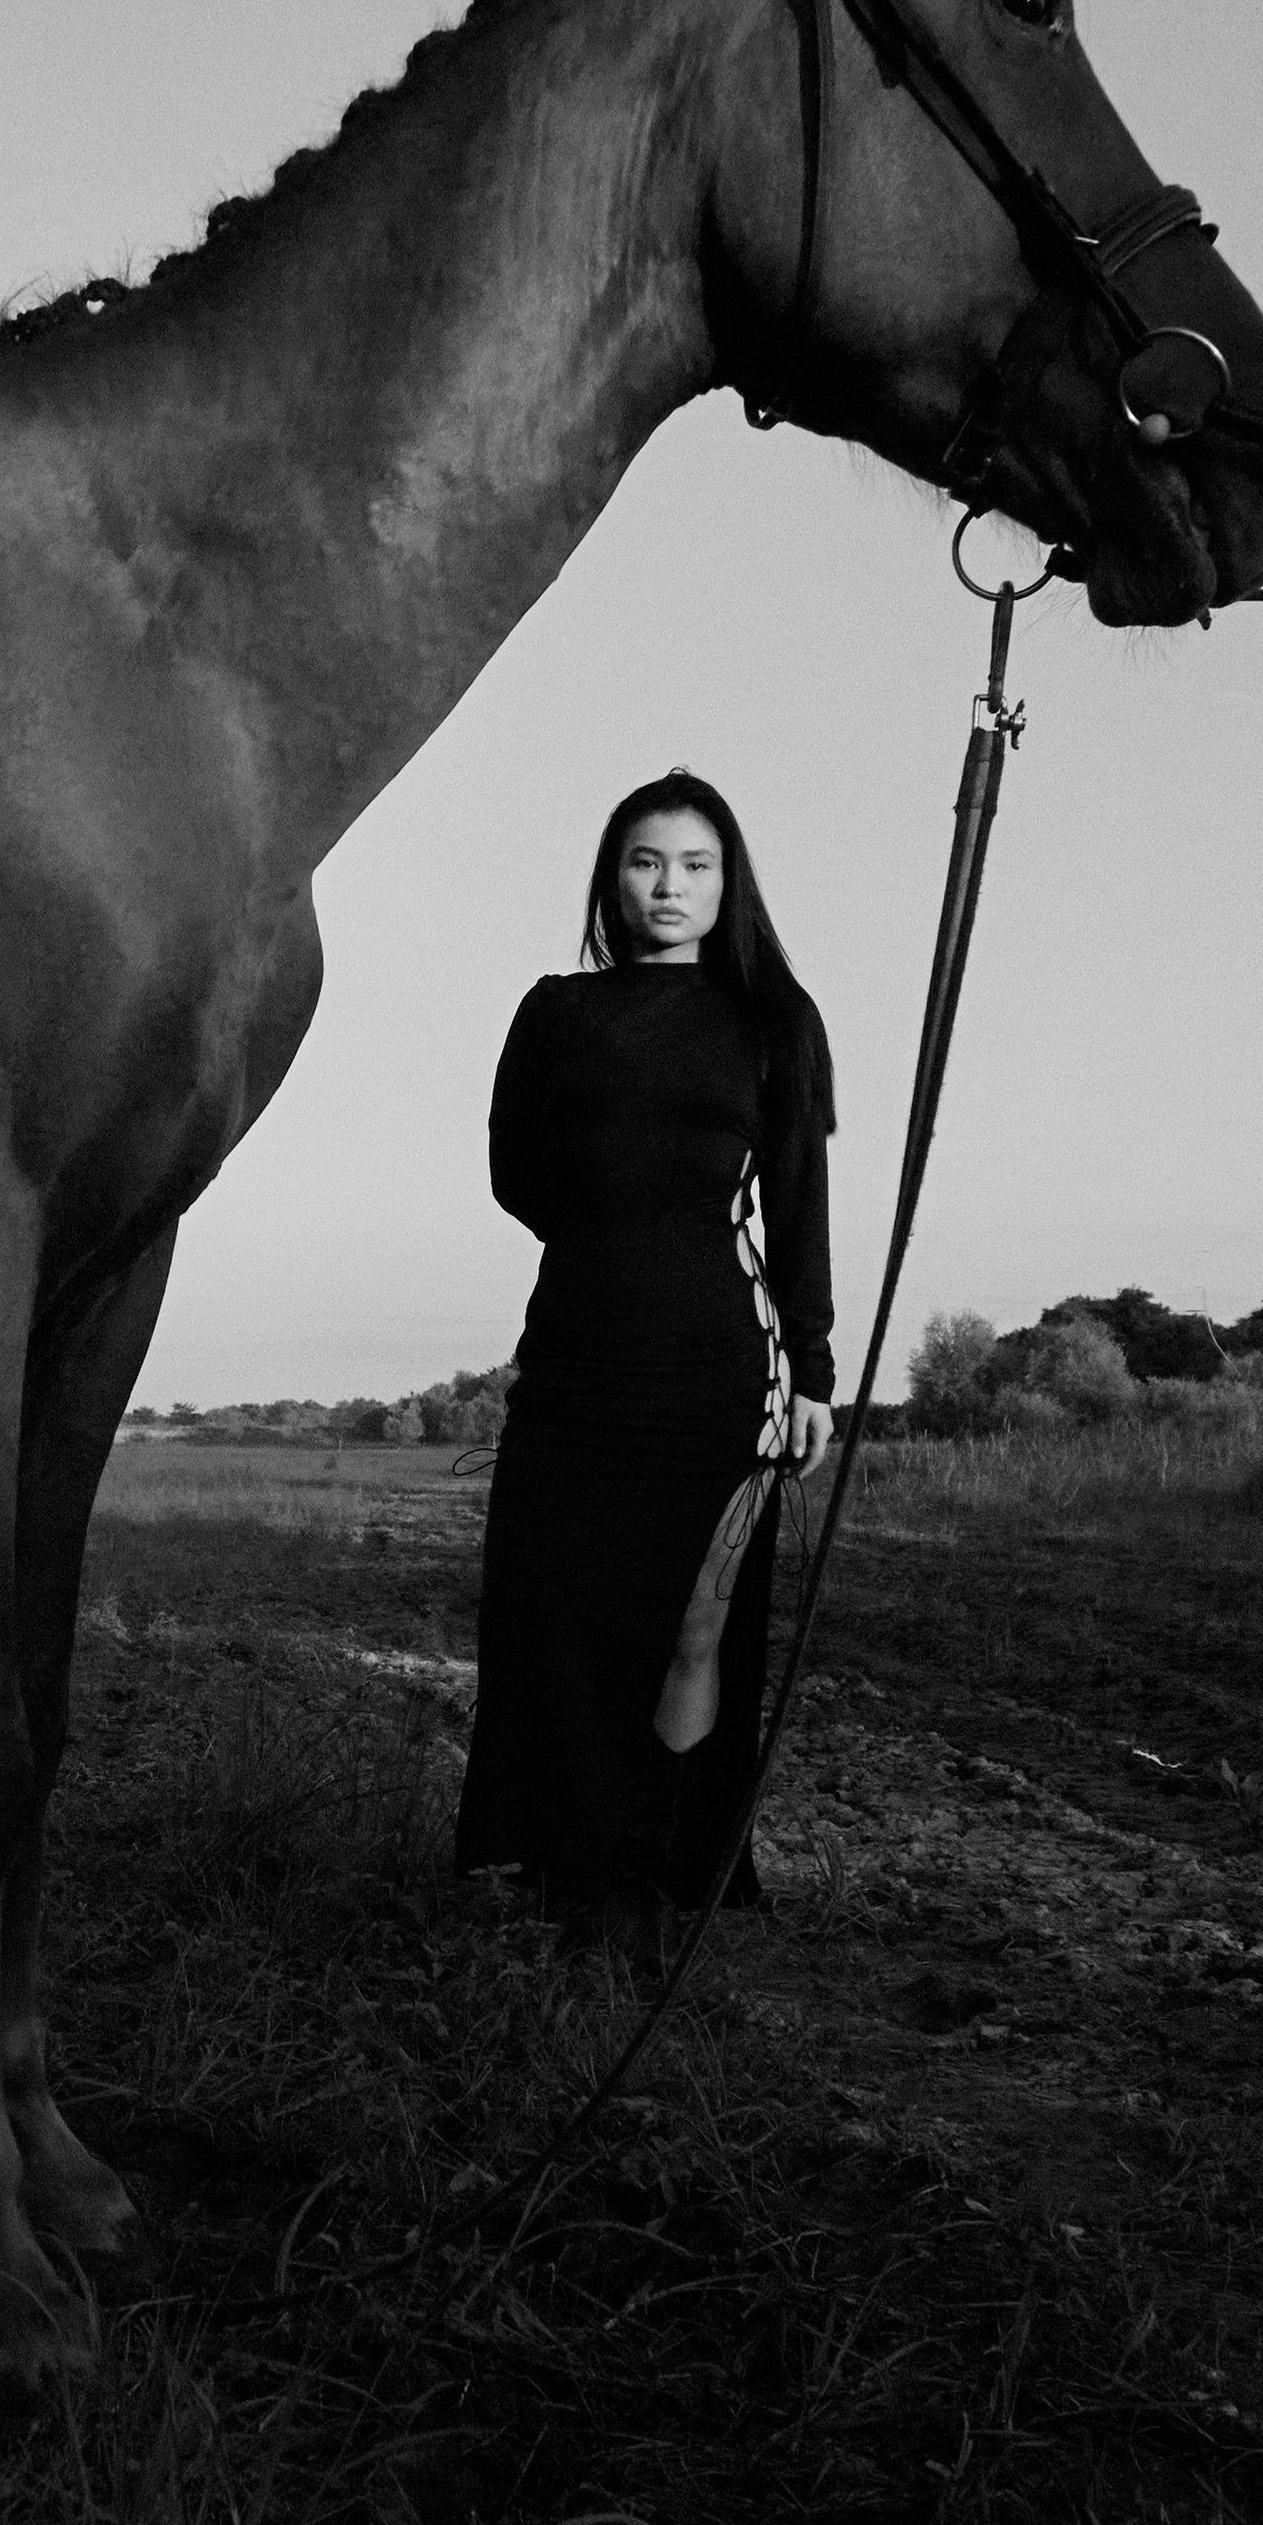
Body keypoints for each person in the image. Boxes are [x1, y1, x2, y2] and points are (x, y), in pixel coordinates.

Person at [454, 769, 835, 1952]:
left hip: (721, 1368)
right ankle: (574, 1865)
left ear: (730, 885)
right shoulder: (555, 1012)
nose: (668, 887)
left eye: (695, 864)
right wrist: (615, 1228)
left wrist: (811, 1370)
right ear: (611, 878)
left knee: (692, 1623)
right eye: (644, 861)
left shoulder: (774, 1019)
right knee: (557, 1612)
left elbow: (798, 1203)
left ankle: (666, 1869)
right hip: (573, 1355)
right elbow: (514, 1173)